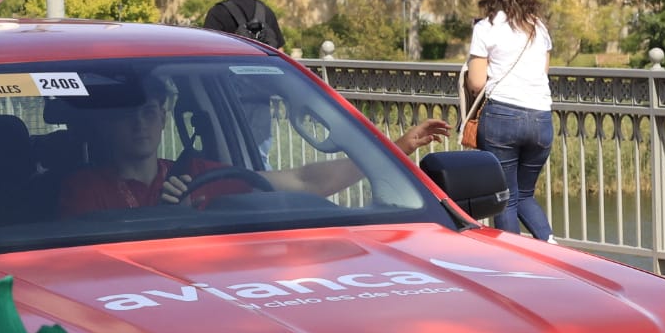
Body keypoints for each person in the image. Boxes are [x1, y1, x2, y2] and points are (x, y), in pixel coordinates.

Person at [58, 75, 449, 216]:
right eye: (126, 115)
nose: (139, 123)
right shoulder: (84, 189)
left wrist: (395, 148)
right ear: (106, 125)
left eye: (149, 111)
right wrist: (173, 217)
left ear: (163, 118)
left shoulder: (202, 175)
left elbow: (305, 180)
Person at [465, 0, 555, 240]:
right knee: (525, 194)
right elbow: (542, 71)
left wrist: (472, 68)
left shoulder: (486, 28)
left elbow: (477, 82)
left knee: (504, 197)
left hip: (502, 117)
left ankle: (514, 265)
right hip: (541, 118)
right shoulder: (538, 27)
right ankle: (551, 245)